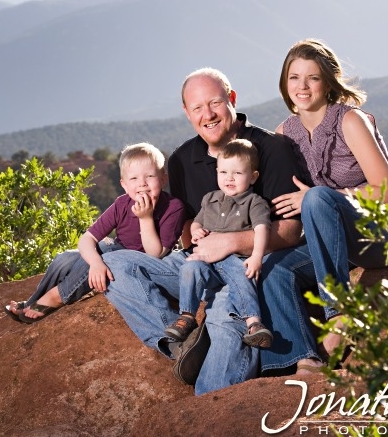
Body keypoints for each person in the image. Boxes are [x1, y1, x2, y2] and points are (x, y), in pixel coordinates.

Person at [99, 68, 305, 395]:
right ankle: (183, 344)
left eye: (215, 103)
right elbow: (184, 225)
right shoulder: (182, 159)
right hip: (198, 262)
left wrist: (233, 242)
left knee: (225, 313)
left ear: (232, 100)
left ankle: (209, 408)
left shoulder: (271, 149)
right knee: (114, 266)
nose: (207, 115)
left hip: (250, 265)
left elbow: (293, 230)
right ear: (186, 112)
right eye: (197, 108)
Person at [271, 38, 388, 372]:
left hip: (377, 235)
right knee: (275, 268)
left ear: (328, 83)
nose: (302, 86)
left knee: (316, 197)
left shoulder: (350, 121)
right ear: (284, 84)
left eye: (312, 78)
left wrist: (323, 199)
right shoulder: (283, 134)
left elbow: (387, 193)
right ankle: (302, 357)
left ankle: (339, 312)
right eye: (294, 78)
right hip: (331, 242)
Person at [4, 142, 186, 323]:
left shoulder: (173, 207)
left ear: (163, 179)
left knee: (105, 251)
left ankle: (56, 297)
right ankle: (33, 300)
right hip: (117, 249)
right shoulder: (122, 204)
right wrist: (96, 263)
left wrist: (145, 218)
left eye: (150, 176)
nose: (142, 184)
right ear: (124, 184)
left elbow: (155, 254)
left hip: (145, 264)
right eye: (134, 179)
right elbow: (87, 239)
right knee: (66, 258)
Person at [164, 139, 273, 348]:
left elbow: (261, 229)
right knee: (190, 266)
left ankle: (254, 323)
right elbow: (197, 221)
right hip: (206, 260)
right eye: (223, 172)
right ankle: (187, 316)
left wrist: (257, 257)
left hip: (233, 258)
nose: (229, 178)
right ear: (216, 172)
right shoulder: (210, 199)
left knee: (244, 274)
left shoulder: (254, 202)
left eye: (237, 173)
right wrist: (196, 232)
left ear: (253, 176)